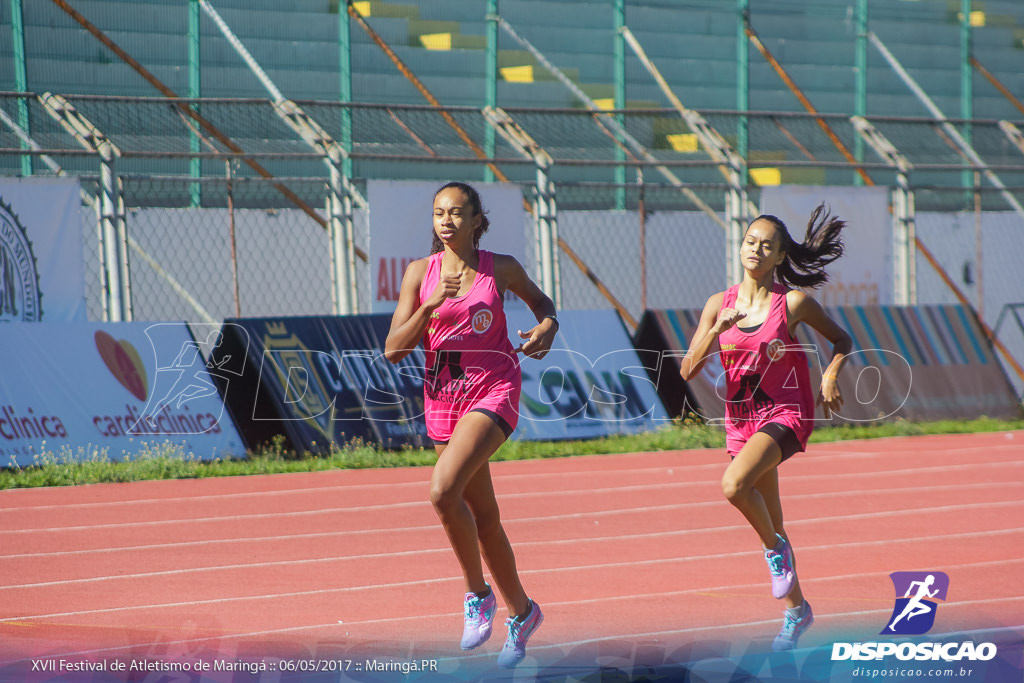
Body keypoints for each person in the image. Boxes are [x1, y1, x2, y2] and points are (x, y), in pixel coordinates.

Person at [385, 181, 557, 668]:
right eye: (440, 213)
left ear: (478, 220)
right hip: (442, 400)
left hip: (493, 389)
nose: (447, 221)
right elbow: (394, 348)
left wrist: (547, 326)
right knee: (484, 518)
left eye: (458, 212)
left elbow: (543, 305)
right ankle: (522, 612)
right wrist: (430, 304)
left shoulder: (499, 268)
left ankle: (476, 593)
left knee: (442, 492)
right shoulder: (420, 274)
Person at [679, 204, 852, 651]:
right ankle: (798, 611)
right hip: (742, 421)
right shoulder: (719, 304)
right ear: (741, 248)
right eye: (750, 242)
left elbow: (841, 340)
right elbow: (686, 370)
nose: (756, 249)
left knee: (735, 486)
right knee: (771, 516)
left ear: (779, 257)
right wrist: (715, 329)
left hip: (786, 414)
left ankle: (774, 552)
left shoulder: (792, 303)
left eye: (767, 245)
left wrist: (830, 373)